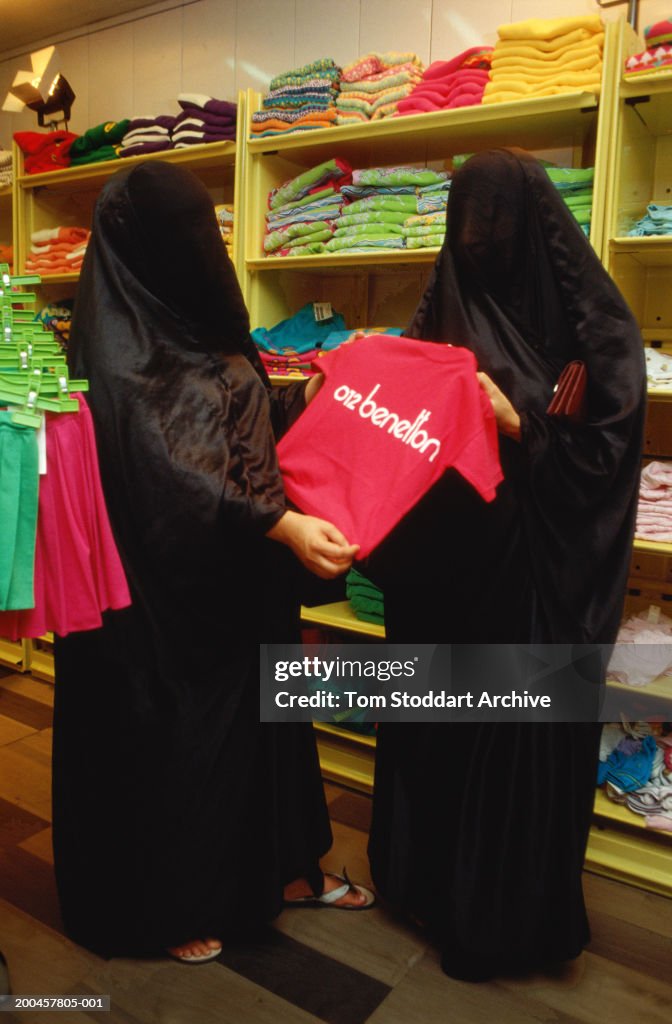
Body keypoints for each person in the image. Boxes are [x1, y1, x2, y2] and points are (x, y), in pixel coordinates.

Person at [52, 160, 371, 965]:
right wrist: (282, 525)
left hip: (240, 581)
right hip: (163, 604)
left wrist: (315, 393)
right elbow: (177, 478)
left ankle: (284, 868)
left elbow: (239, 421)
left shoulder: (198, 323)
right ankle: (169, 904)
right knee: (179, 740)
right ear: (147, 246)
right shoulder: (123, 357)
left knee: (266, 725)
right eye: (190, 233)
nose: (209, 248)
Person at [366, 148, 646, 980]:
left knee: (513, 738)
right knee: (437, 729)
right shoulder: (445, 297)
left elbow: (612, 446)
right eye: (466, 218)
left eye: (496, 218)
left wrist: (522, 423)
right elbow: (396, 416)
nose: (479, 237)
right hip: (448, 569)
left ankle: (500, 922)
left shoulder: (596, 321)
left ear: (532, 223)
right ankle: (426, 885)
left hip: (536, 578)